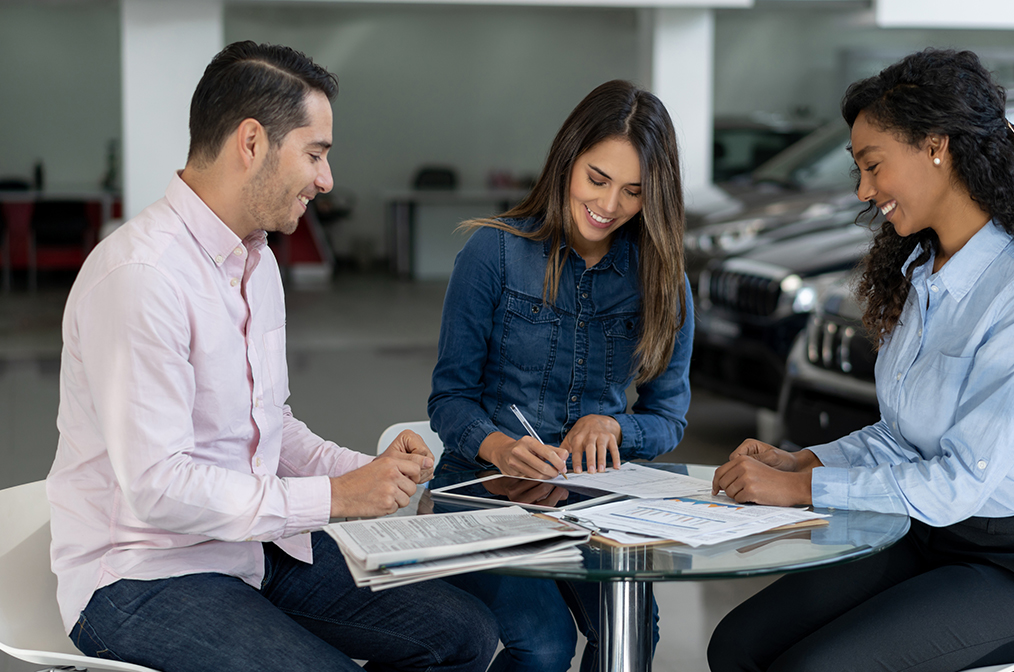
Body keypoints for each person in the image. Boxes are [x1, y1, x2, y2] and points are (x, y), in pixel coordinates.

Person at [47, 41, 497, 672]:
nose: (327, 180)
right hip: (141, 576)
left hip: (248, 546)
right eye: (315, 154)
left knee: (463, 634)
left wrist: (374, 475)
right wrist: (337, 497)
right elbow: (158, 488)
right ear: (252, 143)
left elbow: (269, 427)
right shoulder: (141, 276)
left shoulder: (253, 261)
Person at [707, 48, 1014, 672]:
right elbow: (904, 440)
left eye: (872, 166)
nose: (865, 191)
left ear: (936, 147)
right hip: (929, 534)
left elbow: (957, 482)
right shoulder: (921, 273)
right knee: (736, 646)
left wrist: (800, 489)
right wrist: (806, 459)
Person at [426, 79, 693, 671]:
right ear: (567, 159)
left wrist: (616, 426)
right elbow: (450, 399)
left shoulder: (663, 278)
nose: (610, 205)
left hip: (591, 497)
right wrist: (498, 447)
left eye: (633, 192)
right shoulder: (491, 253)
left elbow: (668, 416)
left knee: (631, 635)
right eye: (597, 179)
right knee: (543, 642)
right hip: (480, 488)